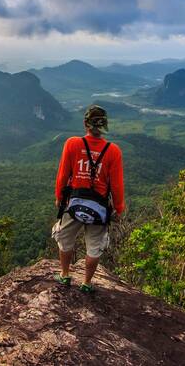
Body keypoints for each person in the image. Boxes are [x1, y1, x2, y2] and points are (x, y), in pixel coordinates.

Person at [52, 105, 125, 293]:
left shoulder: (72, 143)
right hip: (99, 207)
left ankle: (65, 275)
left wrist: (59, 197)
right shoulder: (113, 150)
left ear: (86, 123)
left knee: (65, 239)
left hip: (73, 203)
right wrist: (119, 207)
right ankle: (86, 283)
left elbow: (63, 175)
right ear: (104, 125)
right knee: (94, 247)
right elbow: (116, 185)